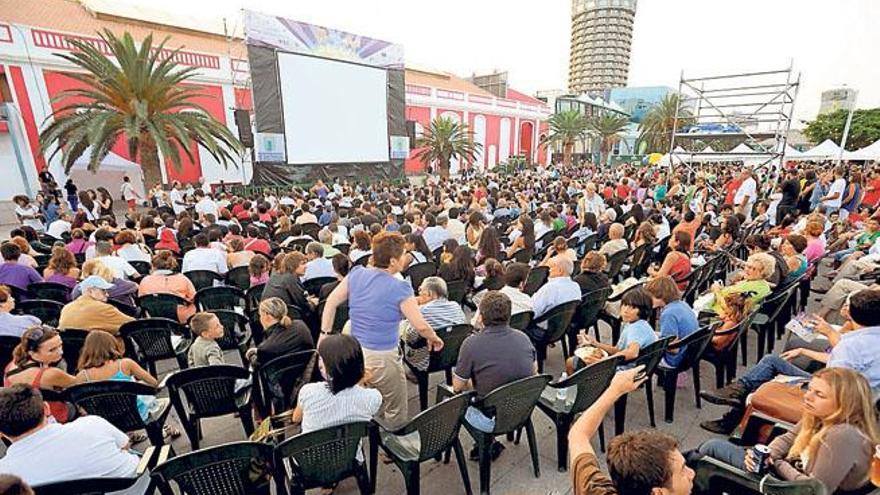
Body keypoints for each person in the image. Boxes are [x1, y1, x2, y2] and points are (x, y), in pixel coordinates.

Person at [701, 288, 880, 433]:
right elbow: (843, 364)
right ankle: (738, 393)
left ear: (853, 314)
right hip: (856, 396)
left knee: (770, 367)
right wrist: (805, 350)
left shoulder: (851, 345)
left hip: (837, 398)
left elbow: (834, 382)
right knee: (772, 361)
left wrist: (829, 334)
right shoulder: (866, 340)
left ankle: (733, 408)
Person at [320, 231, 443, 429]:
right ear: (393, 261)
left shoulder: (356, 274)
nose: (405, 257)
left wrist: (323, 335)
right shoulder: (400, 287)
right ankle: (392, 444)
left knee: (366, 395)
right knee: (395, 403)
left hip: (356, 352)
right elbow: (420, 325)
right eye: (403, 254)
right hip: (382, 356)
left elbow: (331, 303)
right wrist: (434, 338)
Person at [698, 367, 879, 493]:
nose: (808, 397)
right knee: (700, 454)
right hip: (787, 473)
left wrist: (776, 462)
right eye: (810, 389)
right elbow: (789, 437)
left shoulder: (843, 436)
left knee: (709, 450)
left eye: (819, 394)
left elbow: (813, 489)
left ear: (844, 404)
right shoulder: (819, 416)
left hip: (788, 488)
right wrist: (766, 453)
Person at [568, 365, 695, 495]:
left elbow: (578, 434)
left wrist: (615, 389)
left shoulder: (593, 490)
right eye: (683, 470)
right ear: (658, 492)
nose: (692, 474)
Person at [0, 385, 149, 492]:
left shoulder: (4, 476)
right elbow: (125, 444)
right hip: (133, 488)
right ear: (46, 408)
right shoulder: (91, 424)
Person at [453, 291, 536, 456]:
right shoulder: (523, 338)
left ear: (481, 316)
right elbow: (534, 373)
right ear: (509, 315)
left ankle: (471, 444)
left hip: (489, 417)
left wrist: (473, 383)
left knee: (453, 396)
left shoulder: (471, 344)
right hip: (521, 409)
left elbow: (457, 386)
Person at [288, 334, 381, 465]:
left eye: (322, 359)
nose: (319, 362)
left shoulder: (308, 391)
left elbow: (296, 418)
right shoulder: (373, 397)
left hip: (310, 462)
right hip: (349, 457)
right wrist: (359, 381)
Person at [74, 330, 159, 424]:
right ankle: (164, 428)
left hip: (105, 422)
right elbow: (153, 383)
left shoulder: (82, 376)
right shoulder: (125, 364)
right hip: (136, 416)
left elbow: (79, 403)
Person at [3, 326, 76, 423]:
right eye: (52, 350)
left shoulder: (12, 365)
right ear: (33, 353)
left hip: (20, 416)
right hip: (51, 416)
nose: (60, 352)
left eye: (60, 345)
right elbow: (81, 383)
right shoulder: (50, 374)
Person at [579, 287, 658, 365]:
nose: (626, 310)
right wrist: (595, 343)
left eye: (633, 308)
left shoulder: (637, 328)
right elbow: (618, 350)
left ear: (644, 311)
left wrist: (604, 361)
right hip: (632, 366)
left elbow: (632, 353)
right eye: (625, 305)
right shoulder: (637, 324)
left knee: (574, 362)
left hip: (626, 370)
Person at [402, 277, 467, 371]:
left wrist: (406, 322)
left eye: (420, 290)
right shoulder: (456, 306)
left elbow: (410, 338)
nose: (419, 293)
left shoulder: (422, 311)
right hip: (452, 356)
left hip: (426, 361)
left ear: (429, 294)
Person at [645, 276, 699, 368]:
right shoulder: (682, 304)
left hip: (675, 359)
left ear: (660, 295)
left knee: (640, 357)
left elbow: (673, 348)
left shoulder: (668, 314)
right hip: (690, 353)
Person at [248, 297, 314, 368]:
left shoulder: (266, 348)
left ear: (267, 316)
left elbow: (255, 364)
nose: (260, 319)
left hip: (282, 377)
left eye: (260, 315)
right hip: (308, 371)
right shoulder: (301, 326)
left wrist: (252, 353)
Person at [58, 275, 134, 336]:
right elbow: (134, 325)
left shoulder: (66, 308)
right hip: (97, 352)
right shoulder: (104, 309)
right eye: (103, 290)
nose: (107, 295)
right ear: (90, 291)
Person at [137, 251, 197, 324]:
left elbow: (141, 299)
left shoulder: (145, 281)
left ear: (153, 265)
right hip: (180, 317)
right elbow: (194, 298)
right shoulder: (183, 279)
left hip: (152, 315)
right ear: (172, 265)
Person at [530, 256, 581, 321]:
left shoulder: (550, 288)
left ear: (560, 271)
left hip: (541, 325)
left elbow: (533, 312)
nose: (549, 270)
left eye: (551, 267)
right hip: (562, 325)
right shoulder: (576, 286)